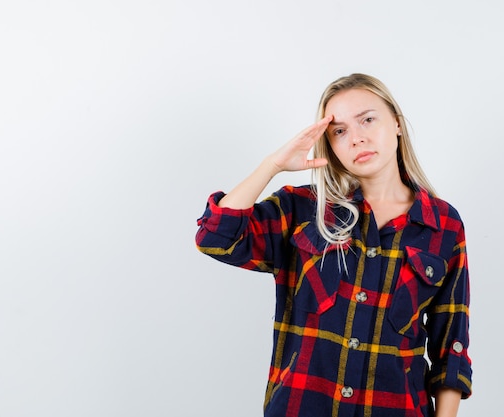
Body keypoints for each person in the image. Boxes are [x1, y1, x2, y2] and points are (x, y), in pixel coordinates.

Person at [196, 73, 472, 417]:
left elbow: (451, 349)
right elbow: (215, 237)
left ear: (397, 124)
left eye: (368, 120)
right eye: (339, 131)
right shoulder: (303, 209)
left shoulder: (443, 225)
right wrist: (273, 166)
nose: (356, 138)